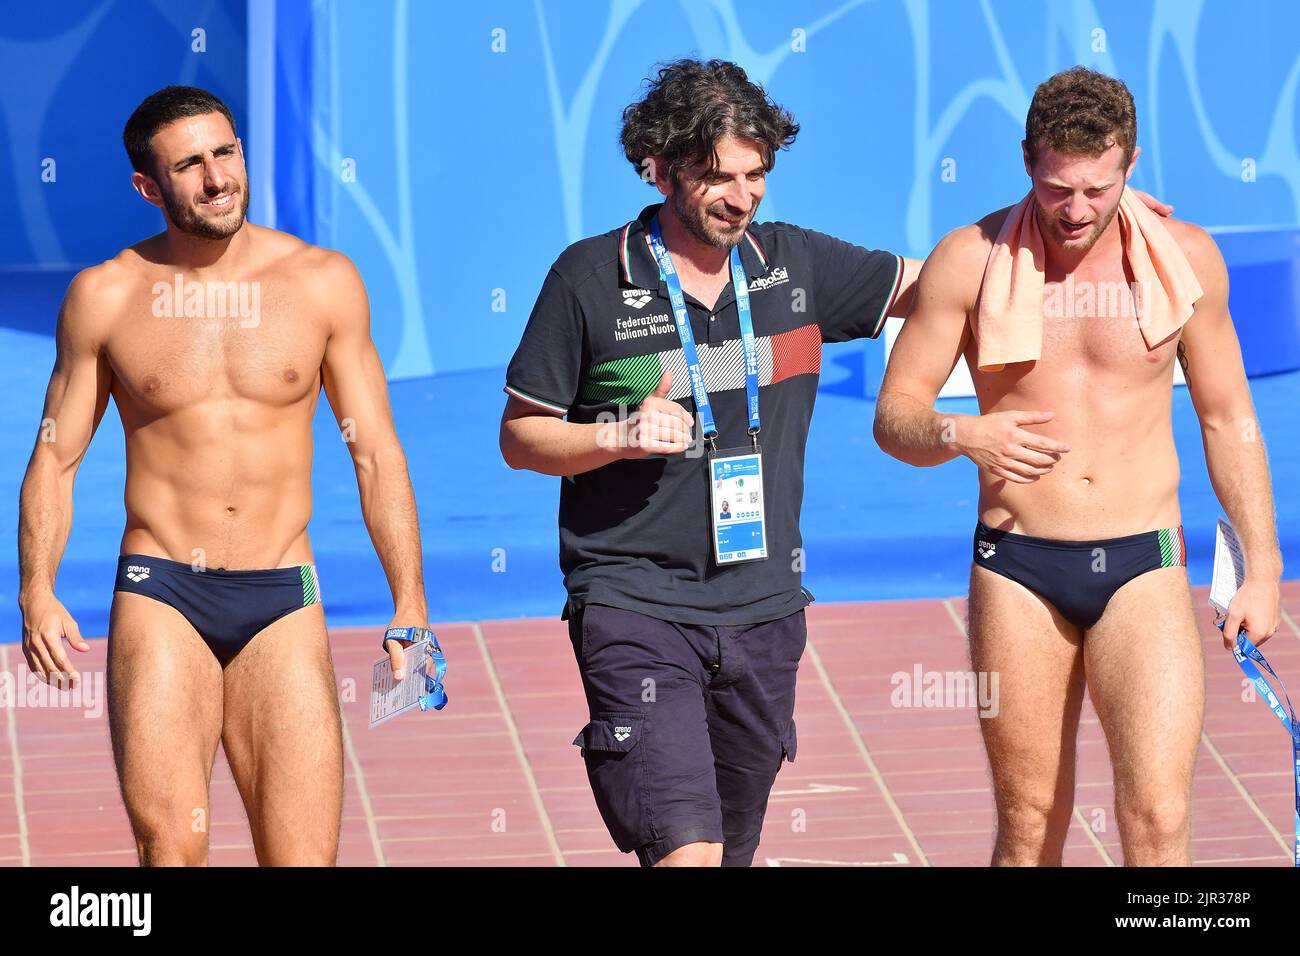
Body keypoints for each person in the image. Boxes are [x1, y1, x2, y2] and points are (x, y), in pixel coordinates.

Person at [499, 58, 922, 867]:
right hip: (634, 600)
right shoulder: (590, 277)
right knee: (685, 851)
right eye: (715, 177)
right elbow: (521, 437)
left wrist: (1081, 220)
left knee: (730, 852)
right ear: (658, 168)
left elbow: (945, 285)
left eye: (756, 173)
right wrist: (612, 435)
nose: (742, 196)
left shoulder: (794, 266)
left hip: (765, 607)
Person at [873, 66, 1282, 866]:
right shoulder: (967, 260)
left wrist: (1262, 567)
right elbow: (896, 420)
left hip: (1144, 562)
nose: (1077, 210)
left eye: (1099, 188)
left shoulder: (1187, 260)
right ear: (1028, 158)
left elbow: (1228, 417)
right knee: (1030, 824)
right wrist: (967, 435)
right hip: (1019, 564)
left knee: (1159, 820)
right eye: (1060, 187)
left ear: (1129, 164)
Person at [16, 86, 431, 866]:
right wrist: (36, 588)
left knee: (302, 857)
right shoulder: (105, 297)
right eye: (190, 165)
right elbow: (55, 458)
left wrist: (410, 599)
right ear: (148, 186)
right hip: (162, 588)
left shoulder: (321, 283)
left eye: (225, 153)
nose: (216, 179)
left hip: (283, 589)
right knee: (170, 849)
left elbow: (376, 453)